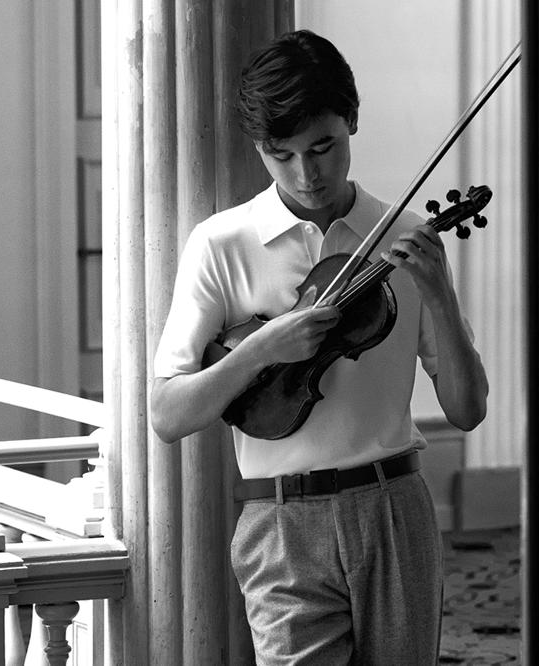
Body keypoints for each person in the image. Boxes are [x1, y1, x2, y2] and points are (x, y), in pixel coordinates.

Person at [151, 29, 488, 665]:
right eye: (281, 155)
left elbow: (469, 410)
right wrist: (261, 349)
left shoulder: (407, 237)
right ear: (259, 148)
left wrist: (439, 295)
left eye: (324, 147)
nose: (307, 175)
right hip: (281, 527)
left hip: (395, 511)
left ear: (352, 120)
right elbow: (167, 415)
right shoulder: (220, 245)